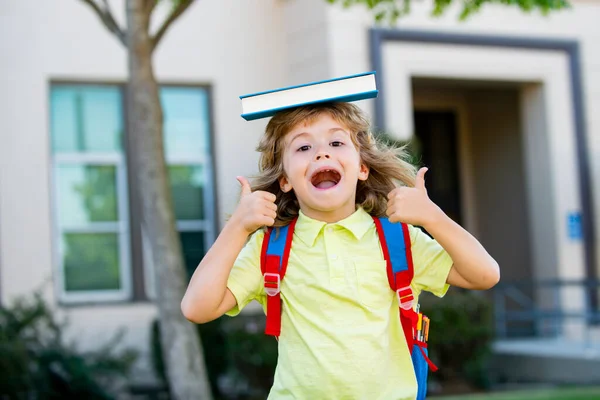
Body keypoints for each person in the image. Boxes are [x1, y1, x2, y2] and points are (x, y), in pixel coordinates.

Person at [181, 102, 500, 400]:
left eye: (336, 143)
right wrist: (237, 228)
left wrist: (433, 216)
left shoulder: (398, 239)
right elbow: (197, 308)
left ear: (362, 167)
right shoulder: (270, 247)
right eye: (304, 147)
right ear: (285, 180)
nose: (321, 154)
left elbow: (484, 274)